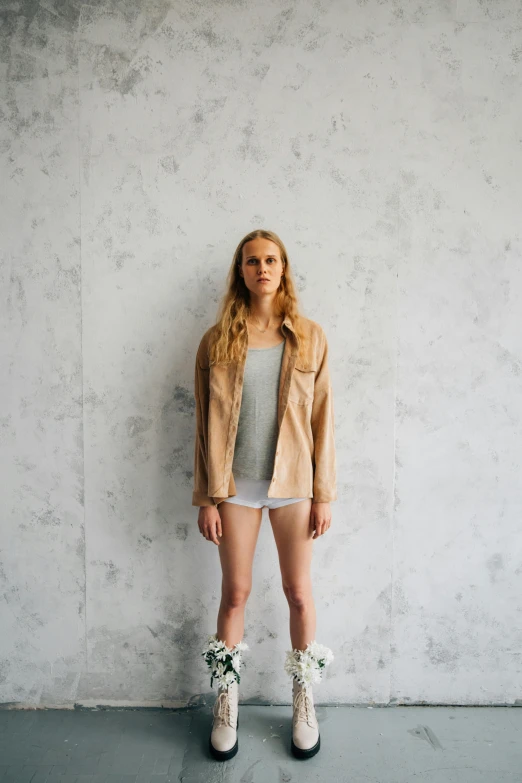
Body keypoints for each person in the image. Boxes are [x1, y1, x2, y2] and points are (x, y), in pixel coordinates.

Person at [193, 229, 337, 761]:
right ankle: (226, 702)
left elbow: (323, 421)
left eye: (271, 259)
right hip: (234, 489)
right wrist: (206, 498)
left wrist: (323, 494)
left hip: (294, 487)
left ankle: (304, 700)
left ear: (283, 268)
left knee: (299, 593)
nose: (262, 268)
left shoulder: (310, 337)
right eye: (252, 260)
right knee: (235, 594)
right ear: (241, 271)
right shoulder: (217, 341)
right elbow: (202, 429)